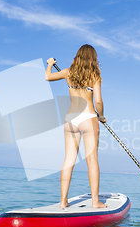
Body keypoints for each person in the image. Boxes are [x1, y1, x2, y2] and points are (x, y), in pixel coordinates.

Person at [45, 44, 107, 209]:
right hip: (89, 118)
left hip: (71, 120)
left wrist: (50, 64)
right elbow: (98, 101)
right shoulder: (95, 76)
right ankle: (95, 201)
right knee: (92, 160)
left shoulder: (67, 72)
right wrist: (101, 116)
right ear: (93, 59)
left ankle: (63, 200)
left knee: (69, 160)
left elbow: (48, 77)